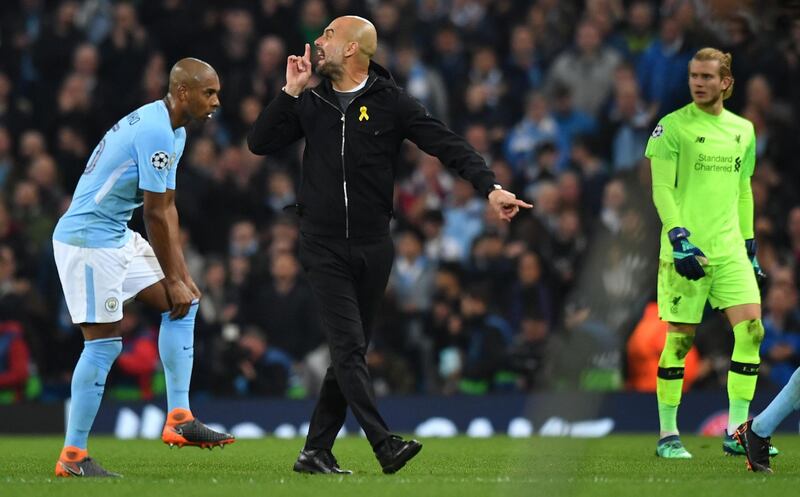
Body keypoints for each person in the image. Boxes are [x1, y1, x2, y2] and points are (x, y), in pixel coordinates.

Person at [247, 16, 531, 474]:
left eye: (328, 36)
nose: (317, 43)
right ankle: (383, 444)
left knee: (349, 351)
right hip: (321, 243)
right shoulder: (310, 98)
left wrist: (490, 188)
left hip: (374, 245)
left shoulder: (390, 102)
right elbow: (258, 143)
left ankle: (315, 450)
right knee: (349, 347)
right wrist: (289, 91)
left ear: (353, 50)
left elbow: (447, 144)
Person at [51, 58, 234, 478]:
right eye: (209, 92)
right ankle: (73, 456)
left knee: (182, 303)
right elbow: (153, 214)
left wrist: (182, 277)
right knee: (103, 345)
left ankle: (180, 418)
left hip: (115, 233)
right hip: (88, 240)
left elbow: (167, 208)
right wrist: (174, 275)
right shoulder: (155, 130)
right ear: (183, 92)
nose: (217, 101)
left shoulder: (175, 130)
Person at [645, 48, 772, 459]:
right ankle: (668, 435)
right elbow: (662, 188)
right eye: (693, 76)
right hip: (687, 250)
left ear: (726, 83)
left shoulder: (743, 130)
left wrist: (750, 246)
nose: (698, 83)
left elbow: (742, 190)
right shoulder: (672, 127)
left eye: (706, 76)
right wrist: (678, 236)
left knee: (752, 332)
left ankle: (737, 430)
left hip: (730, 248)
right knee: (681, 342)